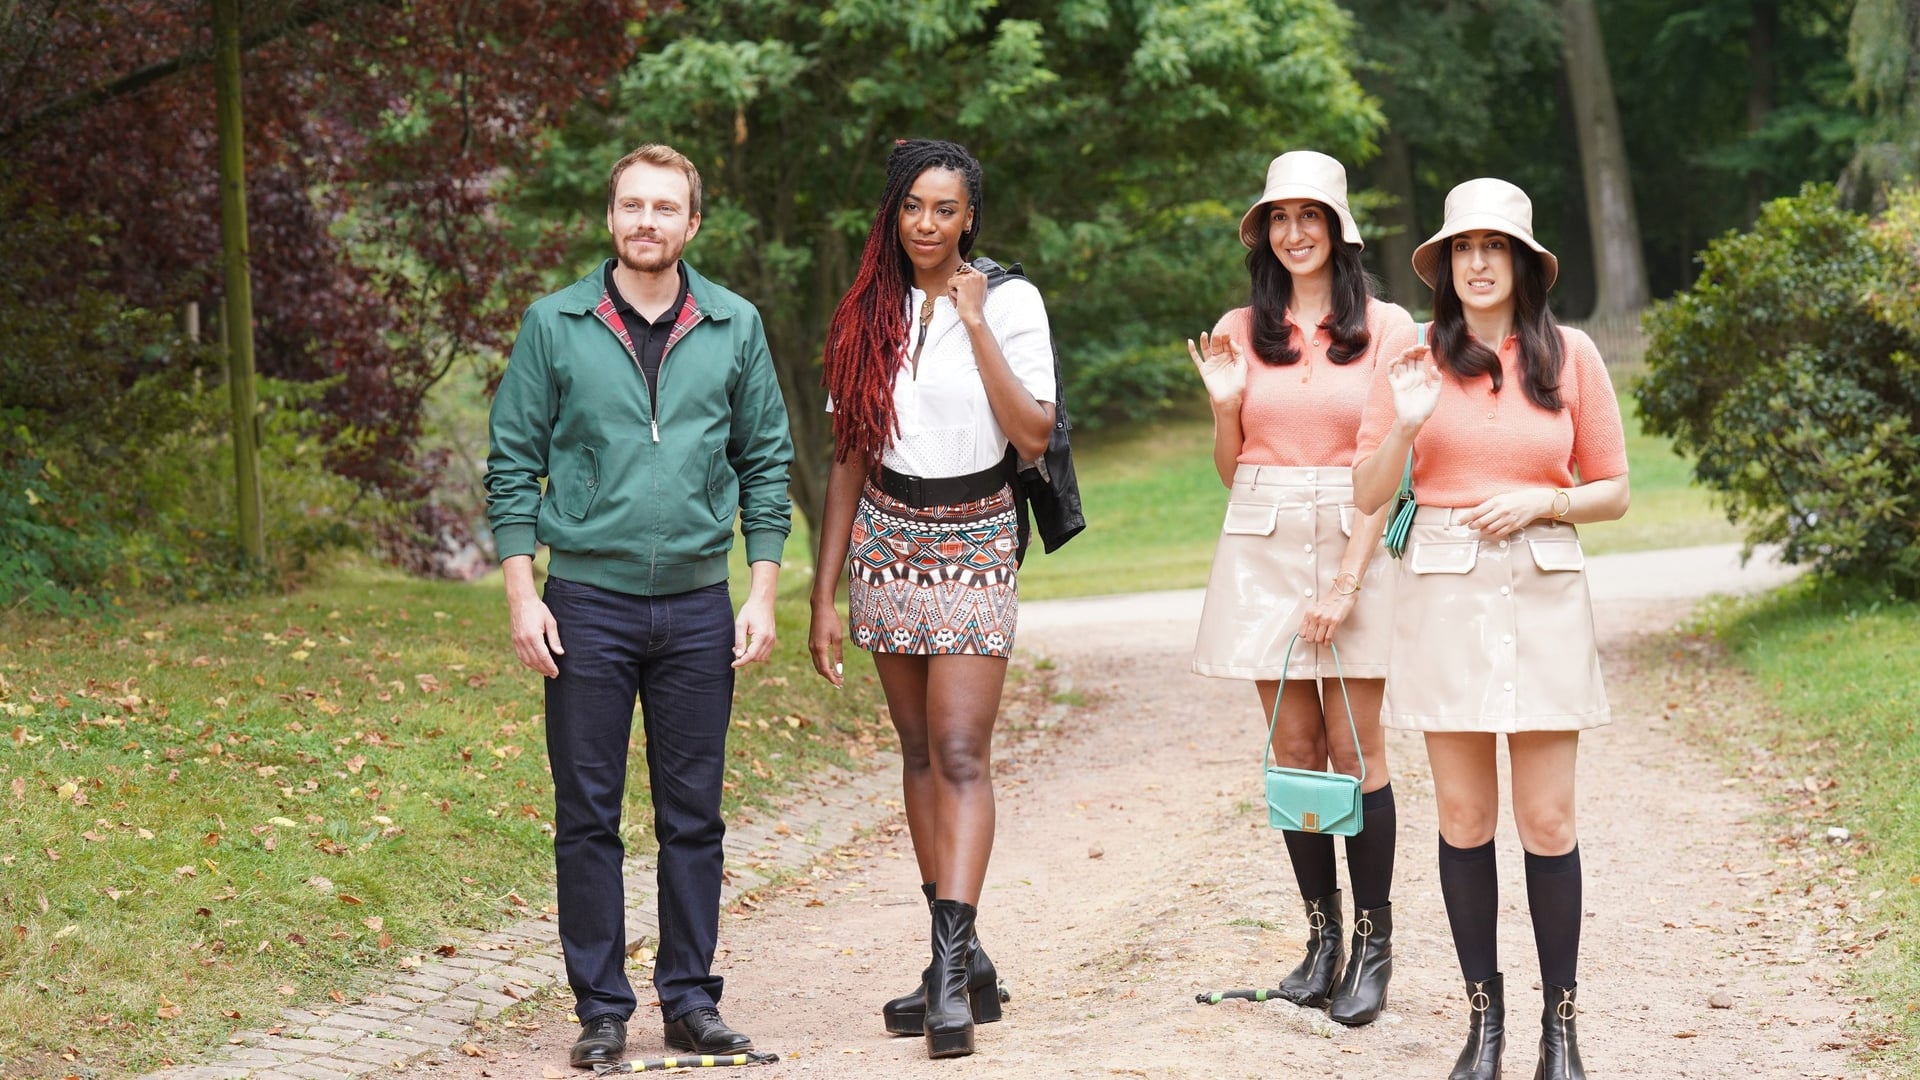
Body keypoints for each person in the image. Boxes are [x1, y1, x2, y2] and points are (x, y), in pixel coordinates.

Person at [484, 143, 794, 1070]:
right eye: (632, 206)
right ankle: (602, 1010)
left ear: (692, 224)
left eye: (665, 208)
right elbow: (511, 464)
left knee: (692, 815)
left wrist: (763, 589)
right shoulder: (555, 323)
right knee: (586, 812)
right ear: (610, 218)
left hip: (699, 604)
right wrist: (521, 591)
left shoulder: (735, 324)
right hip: (586, 603)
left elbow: (766, 462)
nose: (646, 222)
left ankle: (692, 1002)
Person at [1352, 177, 1629, 1080]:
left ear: (1521, 262)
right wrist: (1406, 421)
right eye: (1462, 248)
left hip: (1543, 588)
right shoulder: (1412, 358)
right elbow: (1366, 492)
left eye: (1494, 247)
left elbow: (1614, 490)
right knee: (1466, 818)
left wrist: (1544, 501)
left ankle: (1561, 1029)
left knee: (1547, 820)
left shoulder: (1572, 354)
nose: (1477, 262)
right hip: (1442, 592)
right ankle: (1485, 1024)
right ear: (1444, 265)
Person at [807, 138, 1055, 1060]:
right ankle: (961, 959)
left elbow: (1032, 434)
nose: (926, 224)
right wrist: (822, 595)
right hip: (886, 540)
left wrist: (977, 322)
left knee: (959, 750)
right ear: (893, 210)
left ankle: (948, 978)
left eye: (944, 209)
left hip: (977, 534)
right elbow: (848, 462)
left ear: (970, 217)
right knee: (916, 752)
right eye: (912, 206)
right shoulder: (865, 314)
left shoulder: (1013, 302)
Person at [1187, 149, 1415, 1025]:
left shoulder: (1390, 327)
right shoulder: (1241, 327)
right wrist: (1221, 406)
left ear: (1338, 227)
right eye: (1279, 219)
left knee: (1358, 754)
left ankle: (1375, 945)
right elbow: (1229, 469)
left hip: (1353, 529)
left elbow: (1388, 468)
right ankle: (1320, 944)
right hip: (1262, 536)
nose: (1293, 234)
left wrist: (1350, 580)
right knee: (1293, 753)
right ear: (1264, 233)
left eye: (1308, 217)